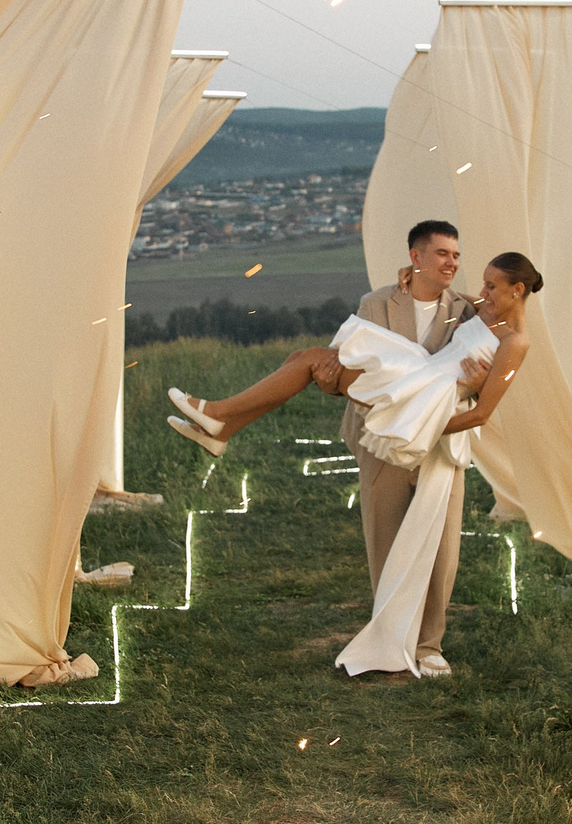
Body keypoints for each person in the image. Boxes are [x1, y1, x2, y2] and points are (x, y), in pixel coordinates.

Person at [166, 223, 543, 677]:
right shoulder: (394, 302)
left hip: (426, 403)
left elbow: (487, 398)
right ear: (415, 257)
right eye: (442, 254)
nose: (456, 267)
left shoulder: (475, 314)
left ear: (514, 288)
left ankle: (219, 417)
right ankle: (220, 425)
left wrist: (439, 414)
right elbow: (358, 351)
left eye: (457, 256)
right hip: (398, 403)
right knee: (307, 361)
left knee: (442, 549)